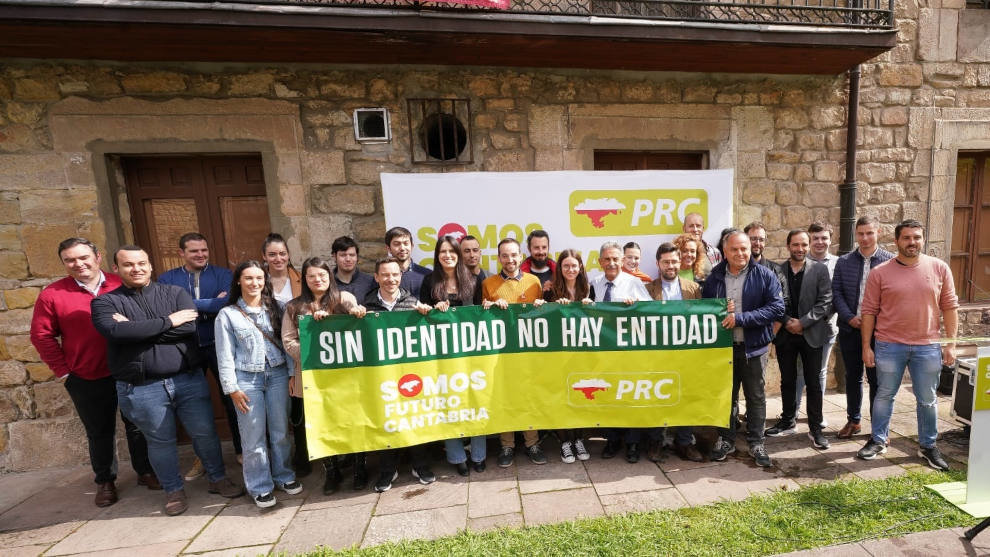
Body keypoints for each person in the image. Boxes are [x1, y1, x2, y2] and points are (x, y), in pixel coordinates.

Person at [91, 246, 243, 516]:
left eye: (141, 263)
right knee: (159, 441)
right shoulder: (106, 303)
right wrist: (167, 322)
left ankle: (218, 479)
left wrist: (136, 329)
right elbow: (115, 332)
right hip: (142, 386)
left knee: (205, 433)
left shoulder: (174, 293)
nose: (136, 269)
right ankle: (173, 490)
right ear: (116, 269)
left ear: (150, 266)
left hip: (188, 379)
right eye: (128, 264)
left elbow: (188, 327)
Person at [30, 238, 159, 507]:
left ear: (97, 257)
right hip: (86, 376)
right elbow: (41, 336)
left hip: (128, 370)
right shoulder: (53, 294)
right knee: (99, 431)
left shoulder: (119, 283)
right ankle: (105, 480)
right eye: (70, 260)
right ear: (64, 263)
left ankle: (145, 471)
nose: (78, 264)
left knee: (137, 424)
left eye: (83, 257)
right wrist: (64, 372)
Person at [856, 219, 958, 471]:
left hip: (928, 346)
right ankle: (878, 440)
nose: (912, 242)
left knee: (927, 399)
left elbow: (949, 307)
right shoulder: (880, 272)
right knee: (884, 395)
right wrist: (866, 347)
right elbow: (868, 311)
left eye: (917, 237)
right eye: (907, 238)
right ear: (896, 241)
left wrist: (951, 344)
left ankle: (928, 446)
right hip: (889, 345)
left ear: (923, 240)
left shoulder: (939, 268)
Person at [214, 261, 303, 508]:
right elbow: (225, 354)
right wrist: (231, 388)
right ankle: (260, 486)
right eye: (249, 278)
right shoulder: (228, 315)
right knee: (253, 437)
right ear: (239, 282)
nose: (254, 283)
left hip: (276, 376)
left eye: (259, 278)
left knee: (280, 431)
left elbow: (286, 343)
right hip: (247, 380)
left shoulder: (277, 308)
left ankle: (284, 475)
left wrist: (291, 374)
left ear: (265, 281)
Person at [158, 232, 241, 481]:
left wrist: (188, 306)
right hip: (185, 348)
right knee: (193, 405)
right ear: (181, 253)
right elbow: (166, 309)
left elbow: (226, 304)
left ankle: (241, 450)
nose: (201, 254)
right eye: (194, 251)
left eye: (204, 250)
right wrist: (207, 303)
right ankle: (202, 459)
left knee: (233, 398)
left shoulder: (224, 275)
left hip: (220, 345)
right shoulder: (168, 278)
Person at [283, 257, 366, 495]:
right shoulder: (293, 307)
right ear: (305, 279)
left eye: (322, 275)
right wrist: (314, 350)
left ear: (329, 276)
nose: (317, 280)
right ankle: (332, 471)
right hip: (312, 378)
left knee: (352, 419)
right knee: (320, 423)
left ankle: (360, 466)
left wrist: (356, 311)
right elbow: (288, 342)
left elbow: (354, 316)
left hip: (345, 376)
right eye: (311, 276)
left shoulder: (344, 298)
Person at [701, 232, 784, 467]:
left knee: (755, 397)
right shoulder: (715, 277)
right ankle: (726, 440)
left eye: (744, 249)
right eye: (735, 249)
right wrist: (718, 311)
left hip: (754, 348)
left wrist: (741, 318)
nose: (741, 254)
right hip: (724, 350)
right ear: (725, 252)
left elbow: (777, 309)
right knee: (726, 396)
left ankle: (757, 442)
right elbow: (705, 310)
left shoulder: (765, 275)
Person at [361, 259, 436, 492]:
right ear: (376, 277)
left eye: (395, 274)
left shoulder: (413, 303)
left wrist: (427, 313)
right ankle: (387, 470)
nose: (390, 279)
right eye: (385, 275)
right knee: (387, 419)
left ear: (401, 276)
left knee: (414, 417)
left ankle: (420, 466)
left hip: (410, 373)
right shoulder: (368, 305)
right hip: (381, 375)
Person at [417, 236, 487, 476]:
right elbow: (422, 316)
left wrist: (488, 307)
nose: (447, 255)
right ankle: (457, 457)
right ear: (437, 256)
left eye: (452, 251)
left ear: (458, 255)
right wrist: (432, 310)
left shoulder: (475, 280)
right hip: (442, 357)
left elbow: (481, 315)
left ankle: (479, 455)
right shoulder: (429, 281)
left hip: (471, 353)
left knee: (477, 401)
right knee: (448, 403)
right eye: (442, 251)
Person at [764, 230, 832, 451]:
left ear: (809, 245)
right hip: (785, 334)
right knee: (788, 380)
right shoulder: (777, 270)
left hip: (811, 334)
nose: (800, 249)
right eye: (796, 245)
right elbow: (772, 302)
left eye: (804, 244)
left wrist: (803, 322)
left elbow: (825, 302)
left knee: (813, 383)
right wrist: (786, 321)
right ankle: (787, 420)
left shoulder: (820, 270)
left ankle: (816, 429)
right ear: (788, 246)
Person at [482, 238, 547, 467]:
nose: (510, 260)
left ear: (521, 256)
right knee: (505, 397)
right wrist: (488, 307)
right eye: (505, 255)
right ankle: (507, 446)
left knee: (529, 396)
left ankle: (533, 443)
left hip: (528, 352)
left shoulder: (534, 281)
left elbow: (540, 316)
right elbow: (482, 318)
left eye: (514, 255)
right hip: (501, 353)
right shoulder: (489, 283)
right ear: (499, 258)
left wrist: (540, 306)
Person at [831, 216, 894, 439]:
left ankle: (878, 427)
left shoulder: (890, 262)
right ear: (856, 235)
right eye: (861, 233)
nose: (865, 238)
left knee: (877, 380)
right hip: (850, 330)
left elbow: (894, 299)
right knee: (852, 377)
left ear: (878, 232)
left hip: (879, 333)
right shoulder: (844, 261)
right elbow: (836, 293)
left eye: (869, 233)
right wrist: (849, 317)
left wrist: (873, 322)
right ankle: (854, 420)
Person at [589, 241, 651, 462]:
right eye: (607, 259)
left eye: (616, 259)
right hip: (603, 354)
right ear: (600, 262)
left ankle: (633, 444)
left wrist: (636, 306)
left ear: (622, 260)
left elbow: (651, 312)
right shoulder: (593, 283)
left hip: (629, 354)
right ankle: (612, 440)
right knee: (608, 396)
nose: (612, 263)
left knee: (630, 396)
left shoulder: (634, 283)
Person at [646, 243, 704, 463]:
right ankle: (656, 442)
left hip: (686, 354)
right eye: (666, 262)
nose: (670, 266)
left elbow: (702, 318)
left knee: (686, 396)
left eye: (674, 261)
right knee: (657, 396)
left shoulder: (693, 288)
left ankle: (684, 442)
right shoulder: (648, 289)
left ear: (680, 262)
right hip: (658, 355)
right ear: (658, 263)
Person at [544, 249, 595, 464]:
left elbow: (598, 319)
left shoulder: (588, 288)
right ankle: (565, 442)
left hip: (581, 353)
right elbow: (543, 317)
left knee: (579, 396)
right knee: (560, 397)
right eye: (566, 266)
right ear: (560, 268)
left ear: (580, 267)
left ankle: (578, 439)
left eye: (574, 266)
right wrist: (551, 306)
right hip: (557, 354)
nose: (571, 269)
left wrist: (592, 307)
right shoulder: (550, 289)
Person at [796, 221, 839, 429]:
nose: (820, 242)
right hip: (800, 329)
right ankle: (793, 410)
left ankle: (817, 414)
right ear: (809, 240)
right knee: (798, 371)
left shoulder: (838, 264)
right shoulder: (800, 262)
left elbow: (835, 297)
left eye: (824, 238)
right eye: (815, 238)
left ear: (831, 239)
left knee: (819, 372)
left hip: (826, 328)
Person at [385, 226, 430, 295]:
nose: (402, 248)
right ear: (388, 248)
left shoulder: (427, 275)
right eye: (397, 244)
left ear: (412, 246)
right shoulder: (383, 277)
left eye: (406, 243)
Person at [332, 236, 376, 303]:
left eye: (352, 255)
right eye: (343, 255)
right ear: (334, 257)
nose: (348, 259)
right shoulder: (328, 283)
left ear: (357, 257)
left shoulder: (371, 282)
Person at [262, 233, 301, 305]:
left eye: (282, 254)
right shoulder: (258, 281)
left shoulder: (302, 279)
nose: (278, 259)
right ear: (264, 256)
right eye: (272, 255)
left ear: (288, 254)